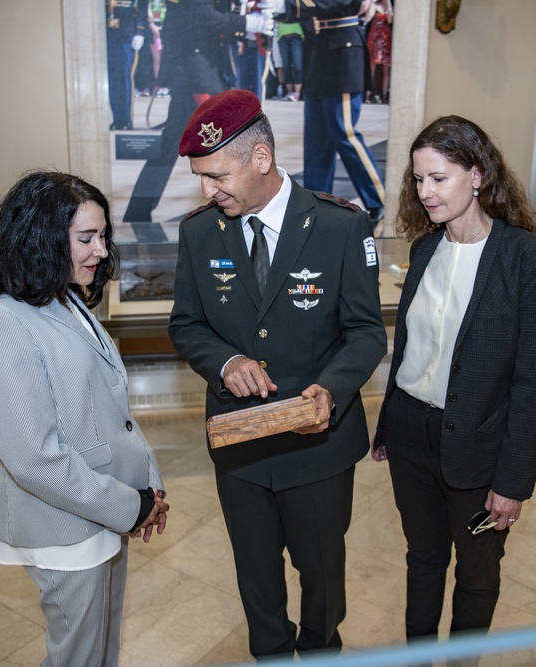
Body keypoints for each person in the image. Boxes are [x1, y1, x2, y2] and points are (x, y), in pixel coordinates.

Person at [168, 89, 386, 659]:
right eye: (200, 177)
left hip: (317, 445)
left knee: (321, 574)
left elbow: (367, 333)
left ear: (260, 158)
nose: (206, 190)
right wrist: (226, 362)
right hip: (239, 443)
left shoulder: (340, 227)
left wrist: (332, 388)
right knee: (255, 575)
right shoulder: (198, 233)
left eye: (216, 175)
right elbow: (187, 325)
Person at [0, 171, 169, 666]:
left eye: (103, 236)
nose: (101, 250)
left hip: (106, 505)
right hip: (65, 525)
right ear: (39, 237)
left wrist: (147, 488)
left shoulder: (61, 296)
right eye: (86, 238)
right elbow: (34, 460)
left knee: (100, 651)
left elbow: (111, 410)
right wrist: (129, 506)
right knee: (77, 658)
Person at [371, 116, 536, 636]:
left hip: (479, 443)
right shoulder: (424, 249)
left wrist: (513, 480)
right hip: (411, 434)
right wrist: (390, 426)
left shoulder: (531, 260)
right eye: (418, 179)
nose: (425, 192)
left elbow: (534, 383)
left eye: (439, 178)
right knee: (423, 557)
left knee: (477, 573)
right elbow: (411, 349)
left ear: (477, 175)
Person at [122, 1, 272, 222]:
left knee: (173, 145)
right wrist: (246, 22)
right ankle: (235, 214)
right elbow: (202, 16)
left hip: (197, 67)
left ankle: (137, 212)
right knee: (224, 147)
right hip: (196, 69)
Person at [267, 0, 387, 226]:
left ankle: (377, 197)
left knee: (344, 133)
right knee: (317, 139)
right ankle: (315, 203)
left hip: (342, 54)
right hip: (317, 54)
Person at [106, 0, 149, 131]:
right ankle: (117, 118)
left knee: (125, 76)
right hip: (108, 29)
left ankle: (126, 119)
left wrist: (140, 30)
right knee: (112, 77)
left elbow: (142, 5)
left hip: (127, 28)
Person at [364, 0, 393, 104]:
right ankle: (367, 96)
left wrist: (388, 4)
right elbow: (368, 18)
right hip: (375, 38)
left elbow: (390, 20)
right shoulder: (374, 5)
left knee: (386, 69)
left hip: (385, 39)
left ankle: (385, 96)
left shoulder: (387, 7)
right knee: (372, 68)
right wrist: (372, 4)